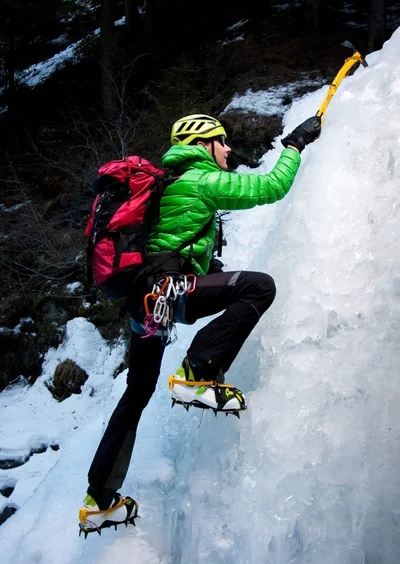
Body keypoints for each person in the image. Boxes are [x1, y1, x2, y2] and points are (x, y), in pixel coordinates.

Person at [78, 113, 321, 535]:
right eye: (222, 141)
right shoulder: (201, 179)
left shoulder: (171, 183)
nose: (229, 149)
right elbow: (270, 187)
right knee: (259, 288)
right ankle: (198, 371)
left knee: (137, 393)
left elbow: (170, 240)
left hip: (146, 305)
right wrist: (296, 144)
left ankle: (99, 499)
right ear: (204, 144)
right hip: (168, 293)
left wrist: (205, 266)